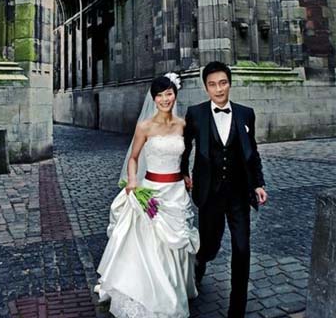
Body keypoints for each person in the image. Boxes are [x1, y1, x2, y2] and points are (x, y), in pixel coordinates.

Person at [96, 74, 199, 318]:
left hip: (176, 193)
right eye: (160, 95)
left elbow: (183, 156)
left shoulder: (183, 125)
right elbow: (133, 158)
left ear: (175, 94)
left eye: (169, 93)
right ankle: (154, 293)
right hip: (151, 192)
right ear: (153, 99)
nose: (165, 99)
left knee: (175, 244)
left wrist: (185, 174)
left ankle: (175, 288)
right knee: (151, 247)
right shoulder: (144, 126)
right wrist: (133, 181)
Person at [181, 61, 267, 318]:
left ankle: (236, 309)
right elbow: (185, 148)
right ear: (205, 87)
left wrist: (258, 183)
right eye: (212, 84)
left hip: (239, 194)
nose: (218, 89)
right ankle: (200, 262)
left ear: (230, 83)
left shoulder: (245, 113)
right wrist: (184, 173)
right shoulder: (195, 114)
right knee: (210, 246)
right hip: (210, 194)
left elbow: (252, 153)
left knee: (242, 248)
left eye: (223, 83)